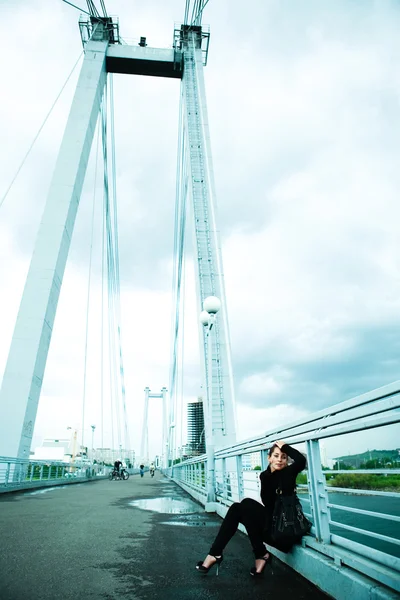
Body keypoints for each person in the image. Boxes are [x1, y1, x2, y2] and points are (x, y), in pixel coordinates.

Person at [196, 440, 306, 577]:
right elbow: (268, 504)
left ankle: (218, 553)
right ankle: (258, 555)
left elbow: (301, 461)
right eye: (276, 456)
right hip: (272, 528)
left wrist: (284, 446)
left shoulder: (288, 474)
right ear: (269, 458)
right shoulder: (264, 476)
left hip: (284, 533)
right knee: (242, 507)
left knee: (242, 506)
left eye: (284, 457)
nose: (280, 460)